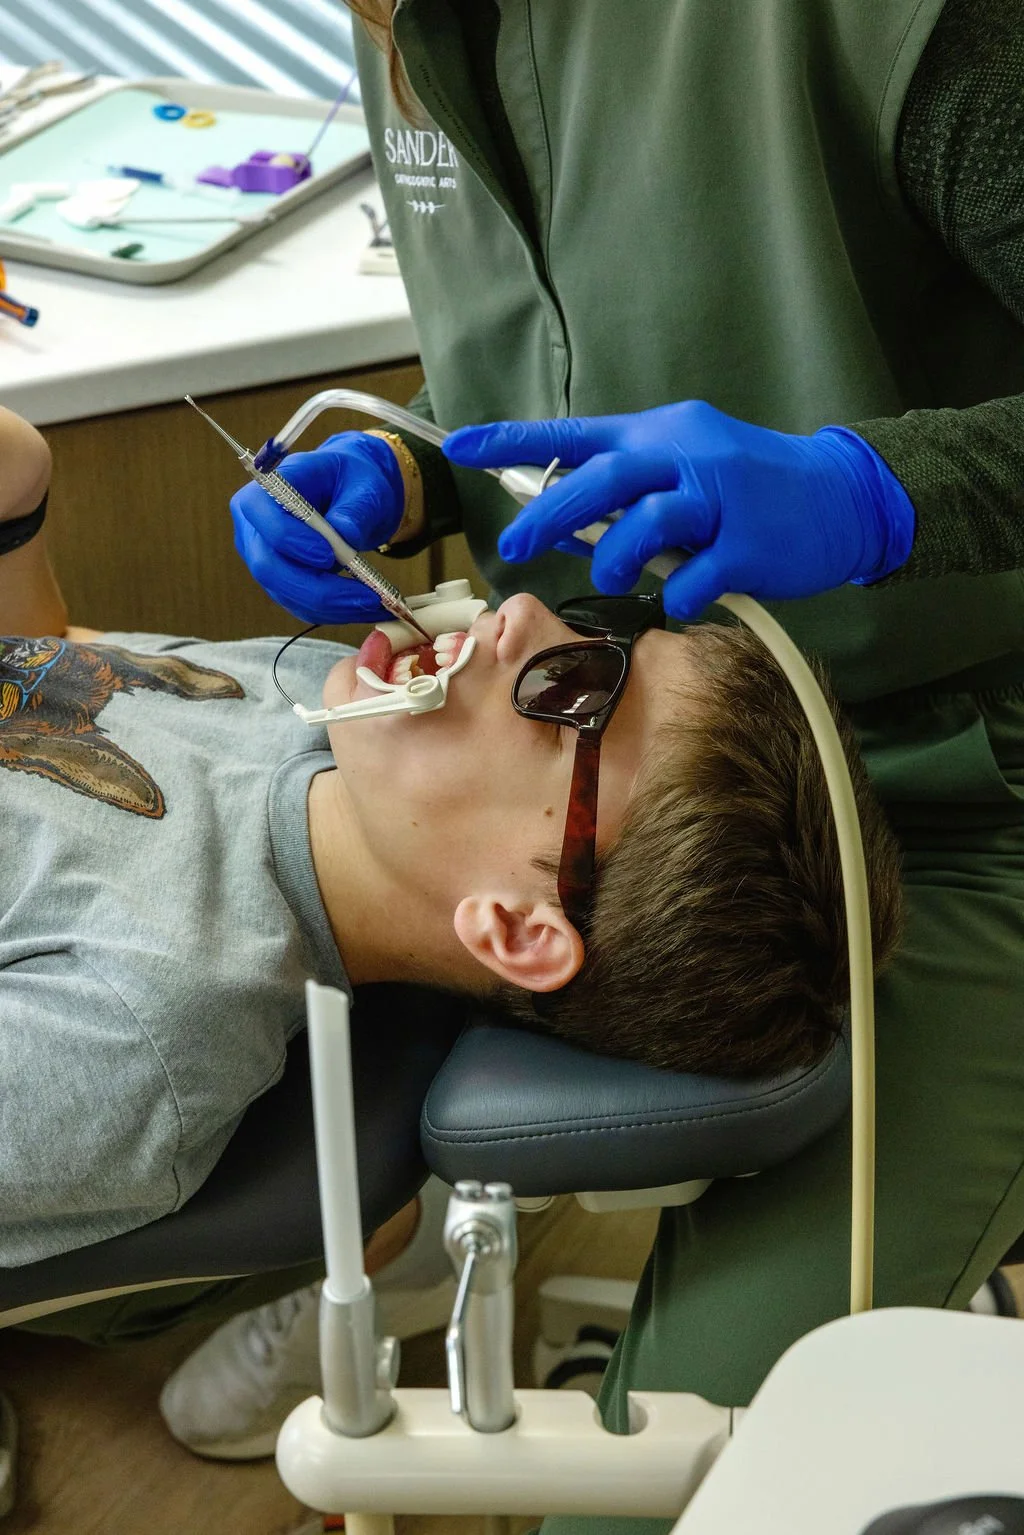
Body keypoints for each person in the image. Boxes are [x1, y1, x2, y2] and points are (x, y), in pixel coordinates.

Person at [219, 2, 1024, 1528]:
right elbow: (586, 364)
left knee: (689, 1477)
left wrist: (884, 493)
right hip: (636, 755)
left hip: (969, 779)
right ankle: (381, 1250)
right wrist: (417, 468)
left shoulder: (903, 29)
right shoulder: (403, 28)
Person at [0, 404, 899, 1452]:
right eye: (598, 629)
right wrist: (18, 504)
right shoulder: (302, 700)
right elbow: (50, 680)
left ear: (519, 925)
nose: (518, 617)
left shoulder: (135, 1034)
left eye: (571, 688)